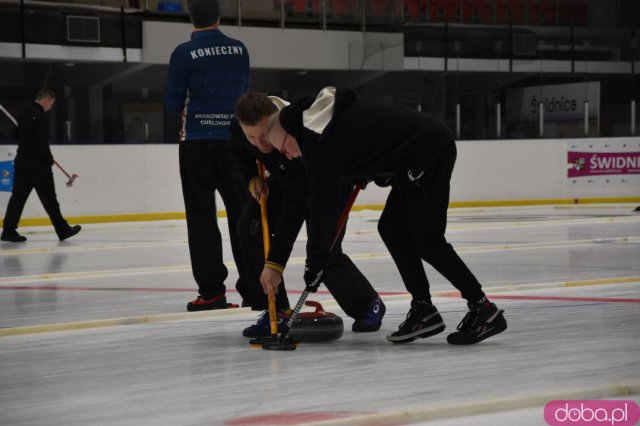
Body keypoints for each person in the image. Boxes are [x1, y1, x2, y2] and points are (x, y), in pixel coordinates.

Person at [262, 86, 507, 346]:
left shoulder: (316, 140)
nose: (286, 154)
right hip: (411, 160)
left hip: (429, 152)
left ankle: (483, 309)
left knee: (427, 240)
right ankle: (423, 308)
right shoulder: (316, 128)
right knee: (391, 229)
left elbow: (324, 204)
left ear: (289, 133)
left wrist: (316, 260)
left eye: (284, 147)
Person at [232, 93, 385, 337]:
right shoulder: (239, 125)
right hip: (288, 179)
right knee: (250, 227)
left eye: (264, 136)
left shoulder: (300, 134)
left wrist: (276, 263)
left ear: (276, 122)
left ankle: (368, 303)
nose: (260, 144)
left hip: (328, 180)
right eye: (252, 137)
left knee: (324, 249)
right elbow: (238, 151)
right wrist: (252, 178)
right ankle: (275, 310)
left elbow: (296, 208)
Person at [164, 0, 250, 311]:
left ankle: (212, 293)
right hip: (235, 142)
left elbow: (173, 103)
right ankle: (255, 289)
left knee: (201, 220)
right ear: (218, 14)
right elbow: (245, 96)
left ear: (191, 15)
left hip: (196, 144)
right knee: (244, 216)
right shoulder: (240, 50)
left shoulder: (183, 53)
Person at [1, 88, 81, 243]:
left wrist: (26, 140)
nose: (50, 108)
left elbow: (15, 135)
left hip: (22, 162)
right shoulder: (40, 117)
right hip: (38, 165)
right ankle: (62, 230)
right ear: (46, 100)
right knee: (49, 198)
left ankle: (8, 230)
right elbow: (42, 143)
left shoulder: (24, 114)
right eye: (50, 104)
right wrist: (49, 159)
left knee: (18, 197)